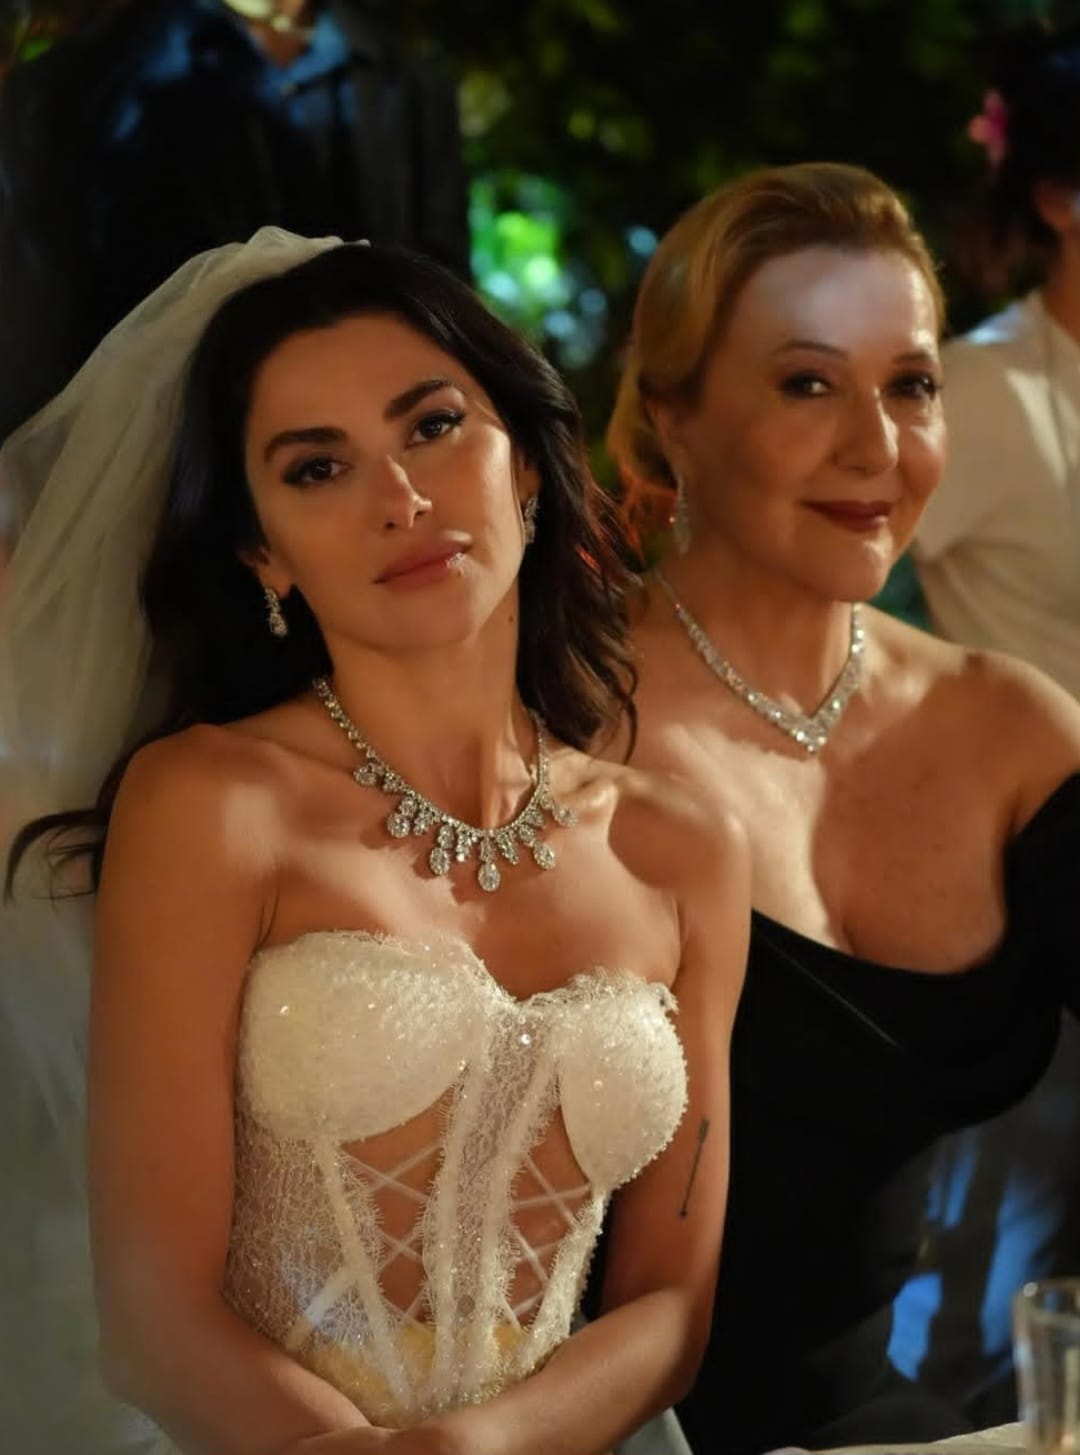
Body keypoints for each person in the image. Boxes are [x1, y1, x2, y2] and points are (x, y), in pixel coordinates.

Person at [0, 231, 748, 1454]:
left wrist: (480, 1448)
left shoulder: (682, 846)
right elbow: (151, 1320)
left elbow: (671, 1307)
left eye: (434, 427)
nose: (400, 498)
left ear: (525, 465)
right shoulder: (211, 804)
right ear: (262, 552)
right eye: (317, 468)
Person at [605, 161, 1080, 1455]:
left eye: (911, 385)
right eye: (807, 384)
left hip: (874, 1428)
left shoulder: (1005, 725)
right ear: (671, 417)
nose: (878, 448)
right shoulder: (551, 722)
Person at [896, 21, 1080, 1424]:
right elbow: (815, 586)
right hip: (1031, 885)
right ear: (1061, 197)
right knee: (988, 1293)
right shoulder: (984, 390)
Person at [0, 0, 470, 445]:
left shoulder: (407, 83)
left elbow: (444, 288)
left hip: (377, 450)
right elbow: (44, 333)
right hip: (172, 457)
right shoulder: (82, 87)